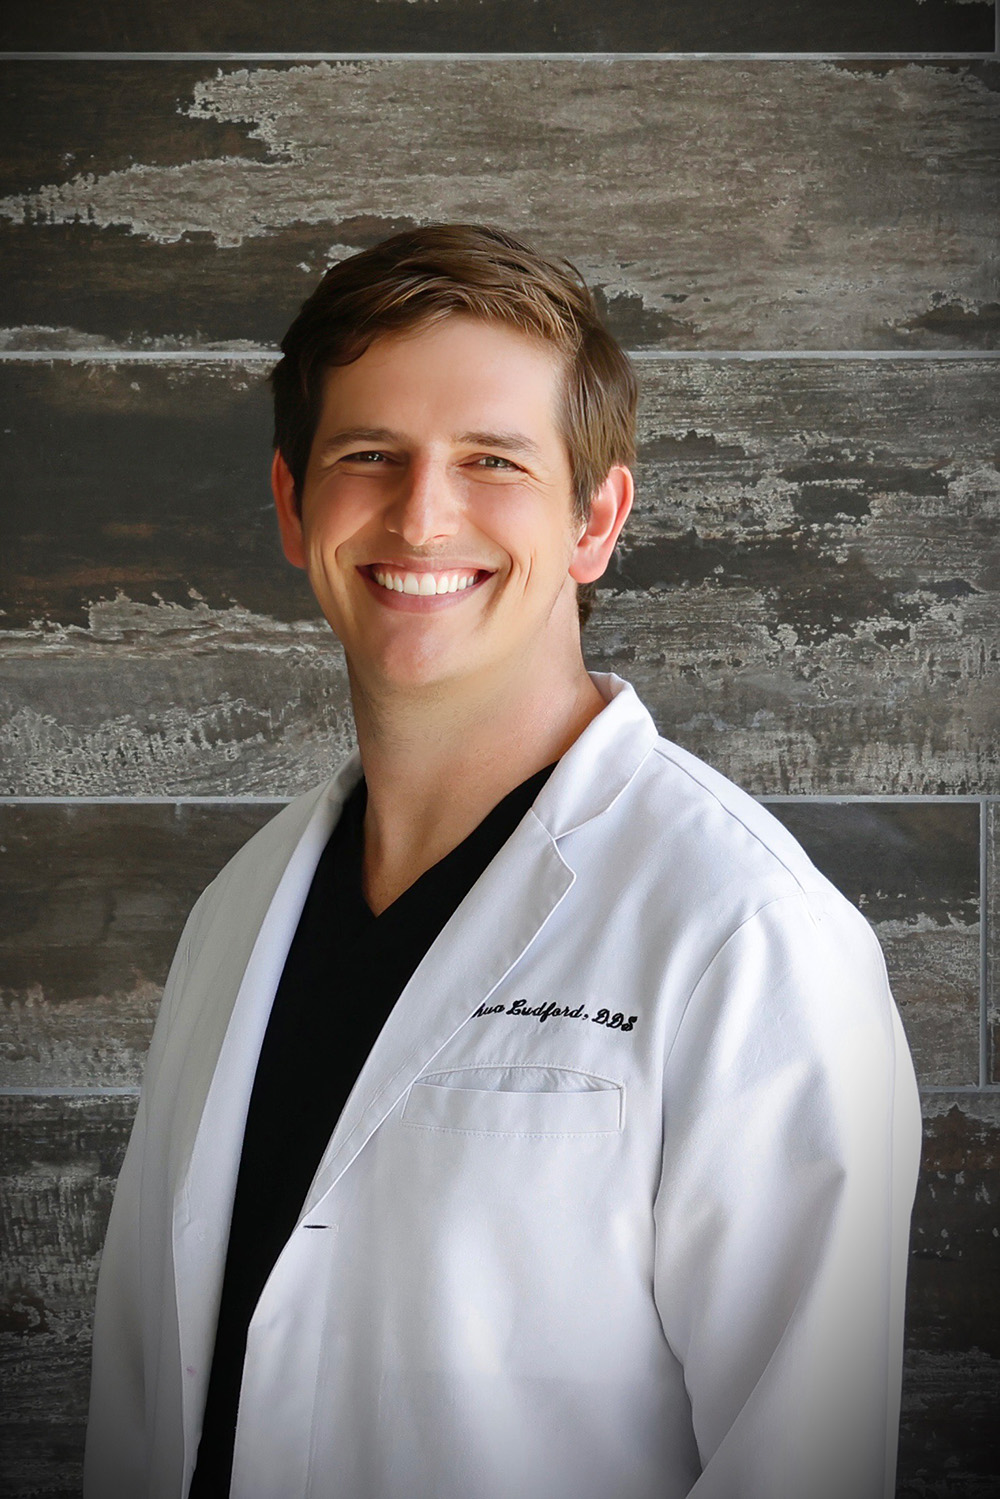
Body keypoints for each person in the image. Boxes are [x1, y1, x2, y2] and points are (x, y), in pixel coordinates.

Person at [84, 223, 922, 1499]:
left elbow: (801, 1460)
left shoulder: (746, 933)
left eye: (491, 460)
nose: (423, 512)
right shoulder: (237, 913)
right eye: (370, 455)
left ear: (595, 519)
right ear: (292, 504)